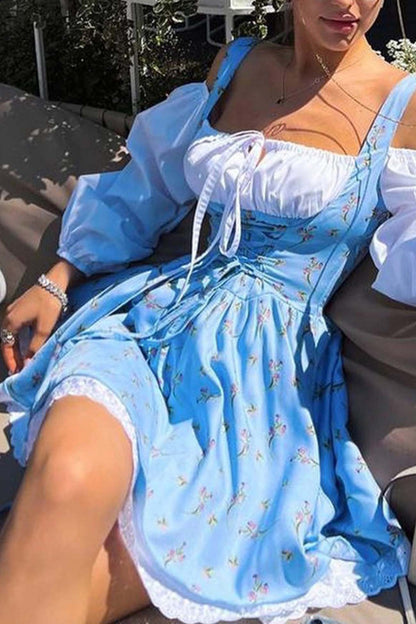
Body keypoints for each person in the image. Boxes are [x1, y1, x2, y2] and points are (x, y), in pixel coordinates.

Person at [0, 0, 416, 623]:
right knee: (67, 475)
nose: (349, 5)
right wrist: (58, 278)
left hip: (262, 386)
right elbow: (147, 187)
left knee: (87, 570)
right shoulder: (237, 64)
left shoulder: (403, 107)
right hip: (149, 326)